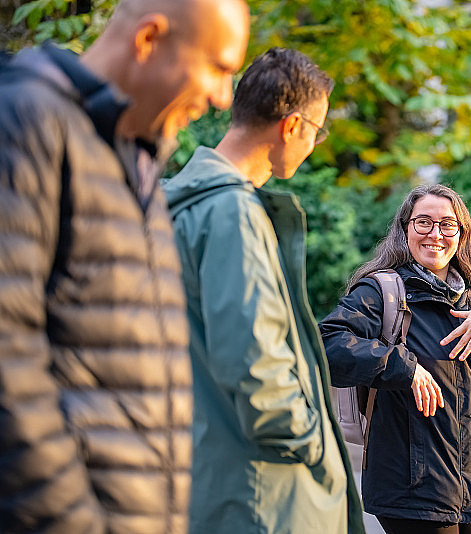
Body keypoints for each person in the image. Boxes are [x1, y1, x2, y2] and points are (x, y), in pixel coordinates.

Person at [0, 1, 249, 532]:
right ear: (148, 40)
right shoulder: (23, 118)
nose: (223, 96)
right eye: (217, 68)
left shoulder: (132, 156)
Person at [163, 47, 365, 534]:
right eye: (317, 131)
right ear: (292, 126)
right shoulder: (232, 213)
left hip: (211, 472)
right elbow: (256, 365)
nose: (314, 143)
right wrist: (314, 442)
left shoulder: (177, 203)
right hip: (266, 494)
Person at [319, 184, 471, 534]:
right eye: (423, 222)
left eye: (447, 224)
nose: (435, 234)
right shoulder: (383, 293)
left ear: (461, 234)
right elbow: (327, 344)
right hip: (412, 491)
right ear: (405, 228)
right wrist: (404, 367)